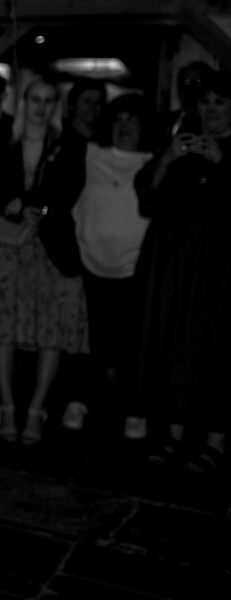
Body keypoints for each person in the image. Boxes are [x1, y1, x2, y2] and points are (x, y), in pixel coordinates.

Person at [0, 76, 88, 445]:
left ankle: (37, 407)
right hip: (7, 244)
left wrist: (40, 207)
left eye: (47, 100)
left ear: (55, 105)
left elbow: (68, 191)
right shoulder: (1, 140)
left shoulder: (69, 144)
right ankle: (6, 404)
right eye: (34, 100)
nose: (40, 107)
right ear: (24, 103)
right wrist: (10, 201)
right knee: (0, 324)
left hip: (50, 245)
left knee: (51, 327)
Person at [126, 72, 231, 474]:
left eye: (220, 102)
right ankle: (172, 434)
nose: (210, 110)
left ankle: (215, 440)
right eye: (205, 102)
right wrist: (168, 159)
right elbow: (147, 200)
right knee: (172, 342)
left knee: (216, 346)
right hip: (172, 263)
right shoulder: (180, 144)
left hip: (219, 268)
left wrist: (222, 164)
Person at [65, 93, 154, 435]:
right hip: (90, 263)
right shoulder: (90, 153)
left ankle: (134, 408)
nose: (125, 126)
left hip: (134, 268)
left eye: (133, 120)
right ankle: (79, 400)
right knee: (89, 338)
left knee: (131, 341)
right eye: (119, 119)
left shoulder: (154, 161)